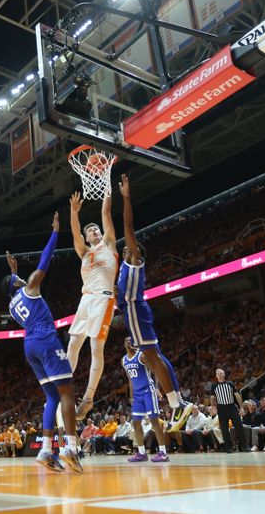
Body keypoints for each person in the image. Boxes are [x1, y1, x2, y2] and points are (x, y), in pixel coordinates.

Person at [1, 212, 83, 473]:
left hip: (30, 347)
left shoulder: (12, 306)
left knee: (51, 397)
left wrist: (13, 273)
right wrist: (55, 233)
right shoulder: (29, 288)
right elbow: (43, 263)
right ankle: (71, 447)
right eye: (19, 279)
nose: (25, 279)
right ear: (18, 284)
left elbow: (16, 286)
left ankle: (46, 451)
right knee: (67, 390)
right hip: (46, 341)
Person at [117, 175, 187, 418]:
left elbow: (128, 228)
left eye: (128, 247)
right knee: (154, 355)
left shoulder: (135, 261)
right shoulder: (123, 267)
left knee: (151, 356)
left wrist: (126, 198)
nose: (125, 249)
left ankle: (176, 404)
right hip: (134, 312)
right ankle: (177, 400)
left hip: (135, 310)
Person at [67, 191, 117, 420]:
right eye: (90, 231)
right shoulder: (84, 252)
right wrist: (73, 212)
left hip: (104, 298)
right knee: (74, 342)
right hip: (86, 299)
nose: (94, 231)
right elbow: (75, 234)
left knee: (96, 348)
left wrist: (107, 189)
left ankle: (88, 398)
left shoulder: (109, 244)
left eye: (96, 229)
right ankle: (64, 382)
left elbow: (106, 213)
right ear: (87, 238)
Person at [122, 337, 168, 462]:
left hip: (148, 391)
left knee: (154, 421)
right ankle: (141, 453)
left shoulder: (141, 356)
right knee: (136, 423)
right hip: (137, 395)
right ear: (124, 344)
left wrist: (157, 388)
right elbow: (130, 380)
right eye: (126, 341)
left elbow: (156, 370)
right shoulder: (124, 360)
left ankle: (163, 452)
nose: (129, 342)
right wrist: (131, 397)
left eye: (131, 340)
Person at [210, 368, 247, 453]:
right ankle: (229, 448)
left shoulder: (230, 384)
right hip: (221, 408)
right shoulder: (214, 386)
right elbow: (212, 397)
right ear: (216, 376)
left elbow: (237, 395)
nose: (219, 375)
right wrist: (213, 406)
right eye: (218, 373)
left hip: (232, 407)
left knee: (239, 427)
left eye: (221, 373)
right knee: (224, 429)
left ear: (224, 375)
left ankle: (244, 446)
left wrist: (241, 407)